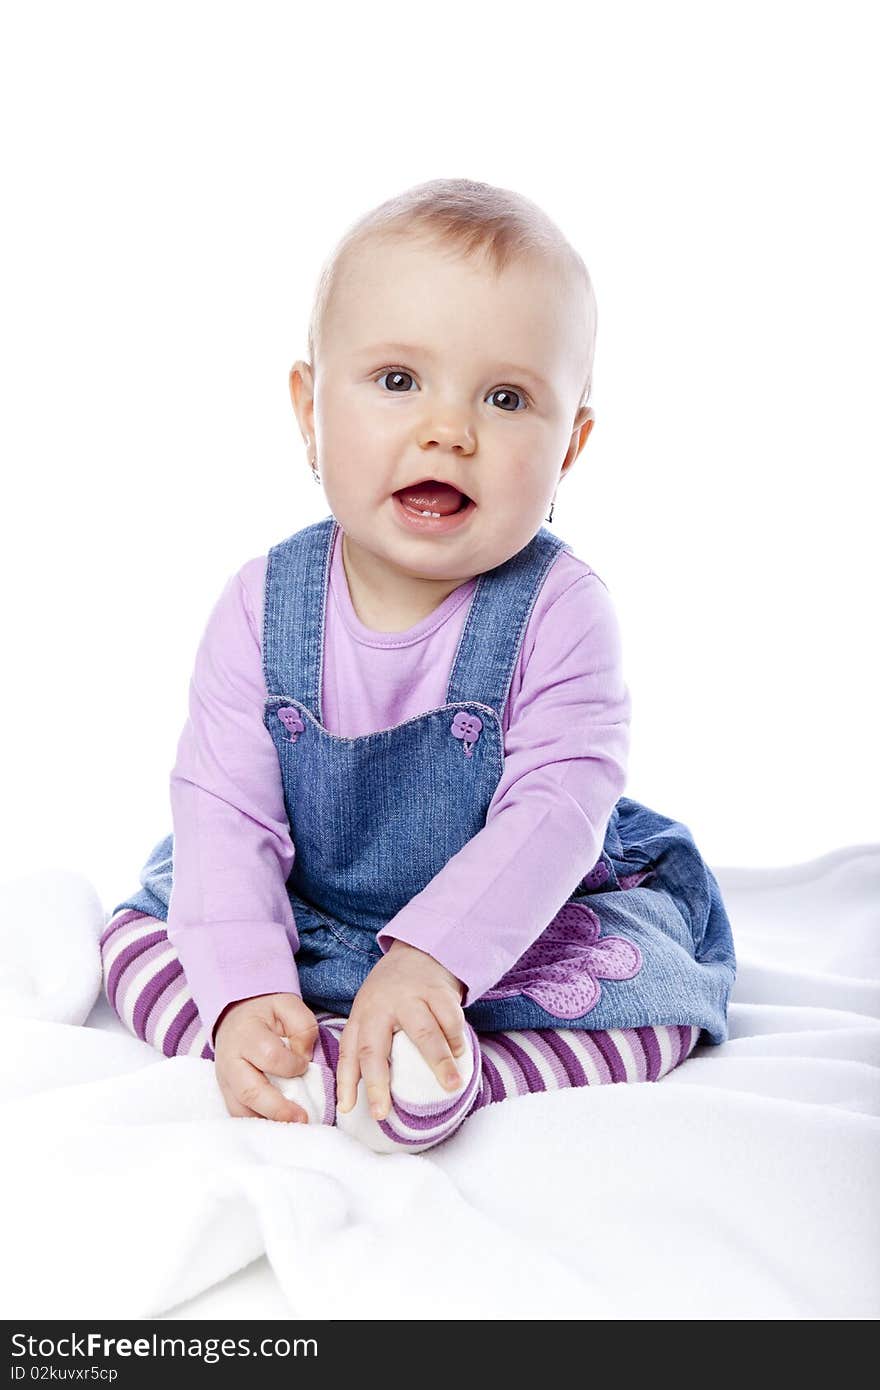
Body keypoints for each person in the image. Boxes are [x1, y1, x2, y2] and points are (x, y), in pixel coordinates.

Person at [102, 177, 736, 1155]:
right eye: (398, 381)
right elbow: (225, 814)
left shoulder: (560, 614)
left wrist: (434, 959)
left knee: (648, 994)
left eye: (506, 396)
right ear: (310, 410)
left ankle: (465, 1067)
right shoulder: (261, 607)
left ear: (570, 446)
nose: (449, 429)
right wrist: (248, 988)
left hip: (524, 918)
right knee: (149, 941)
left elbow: (556, 813)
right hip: (309, 904)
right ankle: (277, 1052)